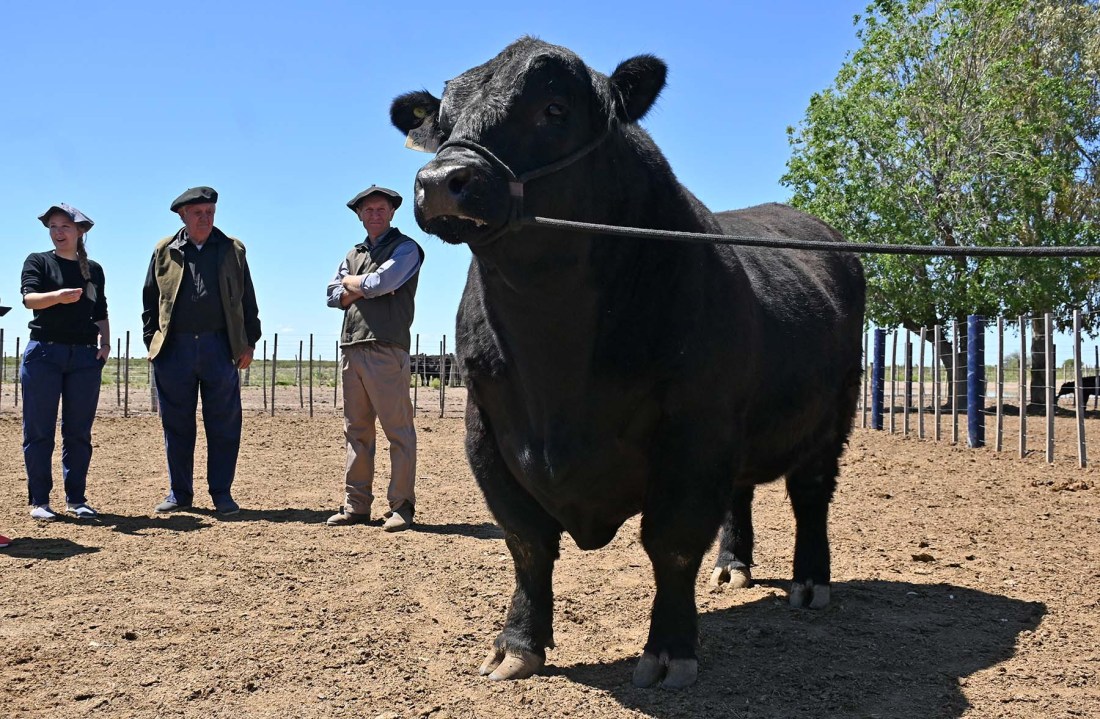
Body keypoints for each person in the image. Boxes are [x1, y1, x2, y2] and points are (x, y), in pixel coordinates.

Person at [142, 186, 261, 516]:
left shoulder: (232, 249)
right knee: (177, 424)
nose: (205, 218)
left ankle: (221, 492)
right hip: (174, 349)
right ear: (183, 215)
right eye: (198, 213)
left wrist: (249, 341)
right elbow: (150, 301)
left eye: (210, 213)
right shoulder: (164, 250)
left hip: (219, 346)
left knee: (224, 424)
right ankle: (180, 493)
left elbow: (247, 300)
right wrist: (152, 342)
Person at [326, 186, 424, 531]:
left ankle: (401, 506)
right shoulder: (355, 252)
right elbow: (331, 295)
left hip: (386, 347)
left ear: (392, 212)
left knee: (397, 431)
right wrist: (365, 285)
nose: (374, 215)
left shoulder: (407, 248)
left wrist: (354, 284)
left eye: (381, 209)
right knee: (356, 431)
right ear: (360, 215)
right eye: (368, 210)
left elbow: (384, 282)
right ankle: (356, 506)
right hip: (352, 347)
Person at [20, 203, 110, 521]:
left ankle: (77, 499)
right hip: (44, 354)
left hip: (85, 357)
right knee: (39, 431)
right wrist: (57, 296)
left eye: (65, 227)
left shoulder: (94, 270)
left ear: (79, 232)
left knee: (78, 432)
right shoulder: (39, 261)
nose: (58, 232)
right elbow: (29, 298)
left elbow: (100, 311)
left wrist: (106, 343)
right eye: (53, 227)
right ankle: (40, 501)